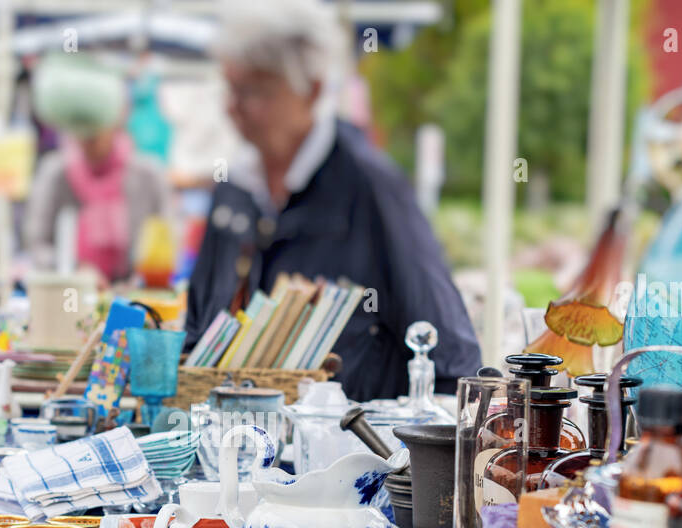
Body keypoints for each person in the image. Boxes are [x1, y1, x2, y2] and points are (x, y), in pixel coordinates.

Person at [185, 0, 481, 401]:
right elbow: (198, 327)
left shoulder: (370, 186)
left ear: (313, 90)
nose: (235, 108)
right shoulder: (233, 190)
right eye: (232, 88)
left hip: (351, 451)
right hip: (237, 446)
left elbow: (450, 354)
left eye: (256, 91)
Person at [24, 55, 172, 284]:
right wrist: (74, 271)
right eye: (80, 134)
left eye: (94, 134)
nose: (88, 142)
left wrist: (145, 277)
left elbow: (168, 234)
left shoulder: (148, 175)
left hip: (134, 294)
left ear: (115, 124)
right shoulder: (55, 173)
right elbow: (37, 243)